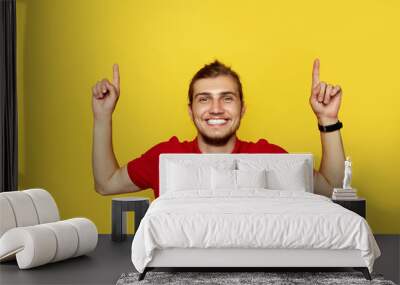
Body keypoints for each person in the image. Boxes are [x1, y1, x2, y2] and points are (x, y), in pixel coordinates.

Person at [92, 59, 345, 198]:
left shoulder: (268, 156)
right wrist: (103, 116)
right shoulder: (165, 157)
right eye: (204, 99)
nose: (215, 109)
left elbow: (333, 189)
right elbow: (106, 184)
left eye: (227, 98)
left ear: (242, 108)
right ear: (190, 110)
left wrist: (327, 119)